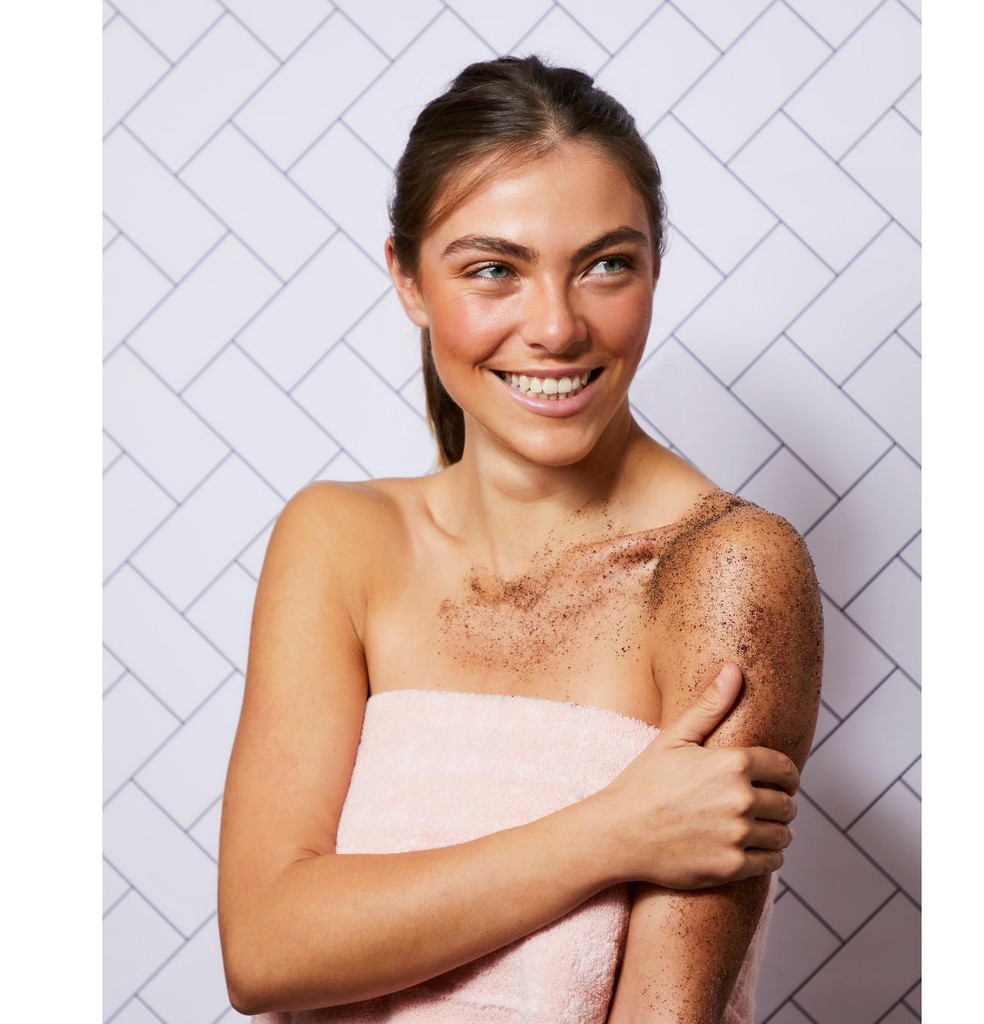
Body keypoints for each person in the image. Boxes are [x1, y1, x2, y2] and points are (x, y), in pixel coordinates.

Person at [218, 55, 823, 1023]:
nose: (555, 327)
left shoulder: (724, 568)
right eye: (494, 270)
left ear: (654, 269)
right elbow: (264, 951)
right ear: (408, 279)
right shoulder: (338, 541)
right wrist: (611, 832)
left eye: (606, 264)